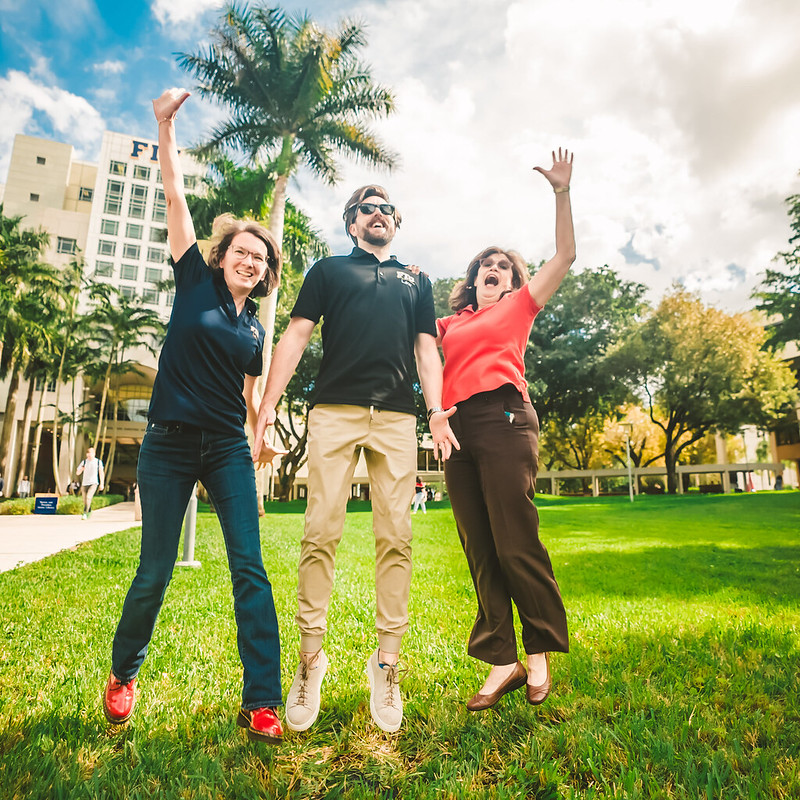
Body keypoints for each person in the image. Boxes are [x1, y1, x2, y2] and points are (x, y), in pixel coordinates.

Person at [103, 88, 286, 745]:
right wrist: (163, 125)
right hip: (169, 444)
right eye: (242, 250)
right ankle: (125, 675)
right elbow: (175, 197)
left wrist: (259, 439)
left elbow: (246, 398)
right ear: (223, 256)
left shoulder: (254, 334)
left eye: (260, 259)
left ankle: (262, 698)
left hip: (226, 451)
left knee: (249, 566)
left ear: (265, 275)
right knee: (154, 570)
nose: (250, 260)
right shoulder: (193, 282)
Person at [252, 185, 459, 734]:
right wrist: (268, 406)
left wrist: (436, 410)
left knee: (397, 535)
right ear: (351, 222)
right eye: (368, 209)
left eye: (388, 209)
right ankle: (310, 659)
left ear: (397, 221)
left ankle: (386, 663)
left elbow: (425, 350)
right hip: (334, 413)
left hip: (395, 418)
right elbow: (295, 337)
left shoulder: (416, 280)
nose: (380, 215)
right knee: (321, 530)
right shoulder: (328, 271)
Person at [437, 148, 575, 711]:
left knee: (515, 538)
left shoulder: (519, 307)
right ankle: (501, 661)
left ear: (514, 281)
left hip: (504, 418)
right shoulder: (446, 324)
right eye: (483, 267)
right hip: (455, 433)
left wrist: (561, 192)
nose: (491, 271)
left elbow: (565, 256)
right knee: (478, 546)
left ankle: (538, 649)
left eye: (503, 267)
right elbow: (416, 356)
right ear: (471, 281)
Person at [76, 449, 104, 517]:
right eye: (88, 454)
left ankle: (85, 513)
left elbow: (101, 473)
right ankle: (89, 510)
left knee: (88, 497)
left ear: (94, 454)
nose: (89, 455)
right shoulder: (84, 462)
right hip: (85, 483)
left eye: (90, 453)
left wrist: (102, 483)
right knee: (85, 499)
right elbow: (77, 473)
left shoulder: (98, 462)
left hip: (94, 483)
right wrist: (81, 469)